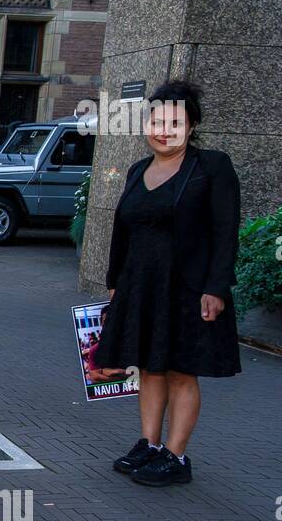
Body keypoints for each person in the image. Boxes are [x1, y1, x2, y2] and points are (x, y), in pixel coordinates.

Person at [94, 80, 241, 487]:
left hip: (189, 288)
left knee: (180, 371)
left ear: (191, 125)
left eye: (174, 122)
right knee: (149, 368)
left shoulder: (212, 167)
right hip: (141, 286)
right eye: (156, 120)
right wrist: (114, 283)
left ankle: (177, 457)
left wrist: (217, 287)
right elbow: (121, 231)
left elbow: (227, 231)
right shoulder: (138, 170)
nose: (164, 129)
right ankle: (150, 444)